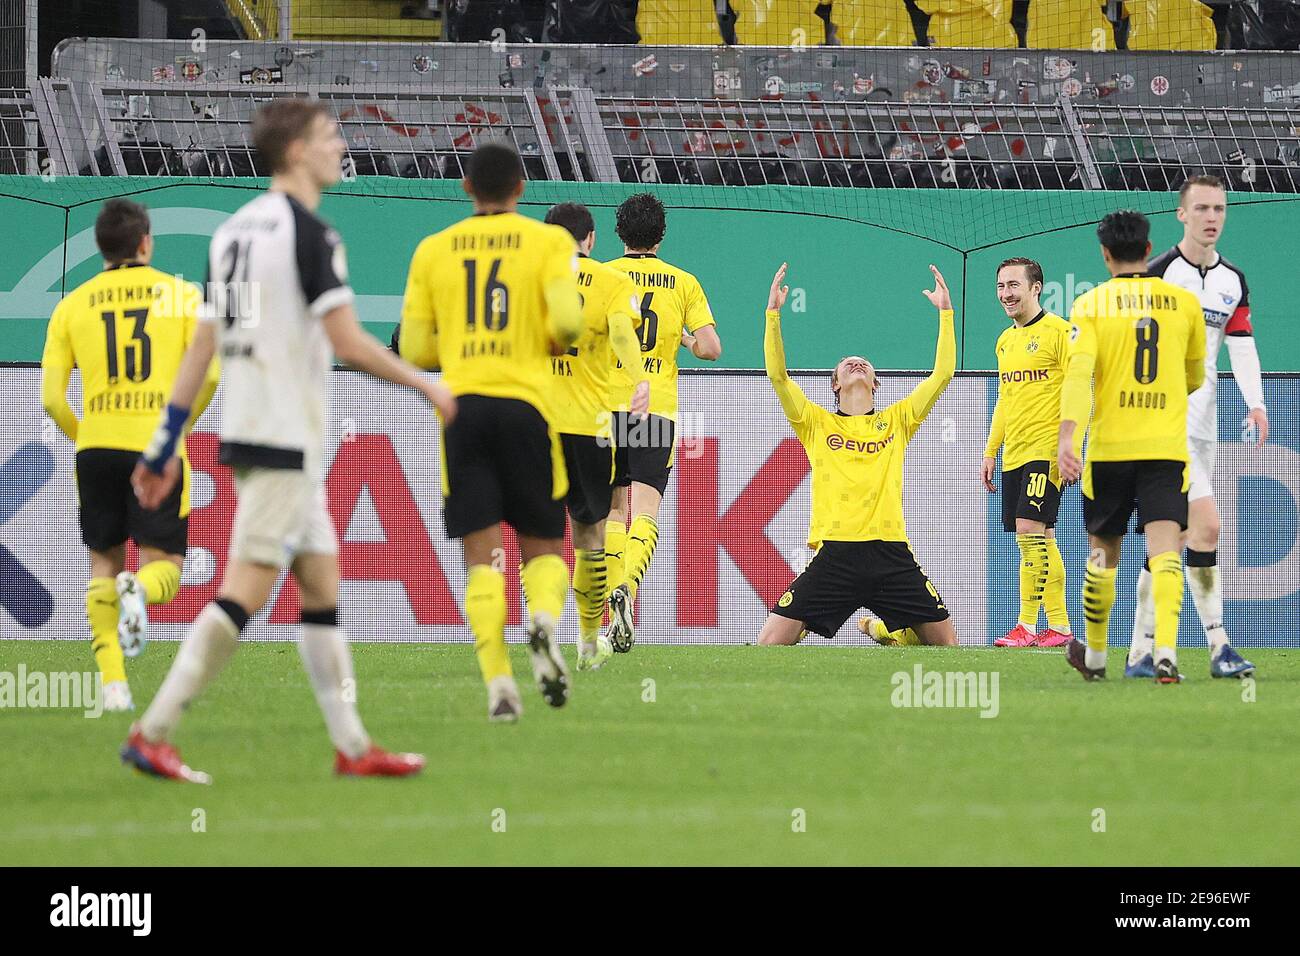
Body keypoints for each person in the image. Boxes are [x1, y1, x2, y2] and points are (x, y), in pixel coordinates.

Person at [123, 99, 454, 781]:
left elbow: (204, 343)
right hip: (281, 438)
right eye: (330, 136)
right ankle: (153, 732)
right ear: (298, 151)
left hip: (257, 429)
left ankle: (354, 748)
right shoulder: (310, 236)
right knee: (246, 587)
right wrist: (429, 387)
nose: (341, 146)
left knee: (322, 586)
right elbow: (348, 342)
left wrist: (164, 442)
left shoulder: (234, 232)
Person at [400, 143, 584, 722]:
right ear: (522, 189)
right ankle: (545, 625)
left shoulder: (433, 249)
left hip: (462, 409)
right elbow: (568, 326)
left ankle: (499, 684)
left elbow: (415, 348)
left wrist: (459, 344)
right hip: (526, 406)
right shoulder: (549, 241)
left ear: (465, 188)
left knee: (482, 559)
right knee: (545, 546)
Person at [41, 198, 220, 712]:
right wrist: (175, 431)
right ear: (145, 243)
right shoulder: (180, 295)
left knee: (103, 563)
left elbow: (51, 398)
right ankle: (138, 591)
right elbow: (208, 373)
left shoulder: (72, 304)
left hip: (96, 447)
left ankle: (114, 686)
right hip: (154, 445)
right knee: (164, 565)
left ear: (100, 247)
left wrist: (86, 436)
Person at [758, 262, 957, 648]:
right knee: (769, 642)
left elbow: (942, 374)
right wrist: (773, 315)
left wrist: (946, 314)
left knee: (948, 646)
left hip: (891, 554)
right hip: (835, 556)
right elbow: (778, 376)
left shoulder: (897, 420)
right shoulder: (814, 422)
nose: (856, 362)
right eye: (846, 363)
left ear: (875, 382)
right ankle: (891, 630)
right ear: (835, 384)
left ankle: (887, 630)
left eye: (864, 363)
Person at [1058, 210, 1206, 684]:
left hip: (1110, 450)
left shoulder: (1091, 305)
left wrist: (1067, 438)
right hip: (1164, 447)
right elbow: (1194, 377)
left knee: (1103, 553)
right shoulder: (1184, 303)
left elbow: (1079, 377)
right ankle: (1165, 653)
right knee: (1165, 552)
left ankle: (1097, 657)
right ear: (1148, 250)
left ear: (1105, 255)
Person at [1129, 175, 1260, 679]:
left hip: (1205, 424)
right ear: (1181, 214)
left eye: (1220, 209)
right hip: (1165, 424)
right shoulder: (1158, 274)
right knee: (1207, 527)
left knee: (1171, 540)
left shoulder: (1233, 281)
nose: (1212, 217)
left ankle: (1141, 649)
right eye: (1202, 208)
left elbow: (1242, 342)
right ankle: (1219, 646)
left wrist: (1256, 403)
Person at [604, 193, 721, 652]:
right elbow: (712, 348)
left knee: (612, 510)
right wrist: (688, 340)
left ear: (619, 233)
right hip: (654, 408)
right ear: (662, 235)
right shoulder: (682, 282)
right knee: (645, 511)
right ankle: (628, 588)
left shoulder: (603, 276)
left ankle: (610, 599)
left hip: (606, 406)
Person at [542, 201, 648, 671]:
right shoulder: (611, 282)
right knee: (590, 532)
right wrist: (640, 377)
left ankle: (541, 625)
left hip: (536, 423)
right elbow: (624, 335)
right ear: (591, 240)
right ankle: (587, 640)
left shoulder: (531, 279)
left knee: (538, 534)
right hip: (591, 425)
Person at [981, 257, 1074, 648]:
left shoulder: (1060, 333)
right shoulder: (1005, 341)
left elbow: (1079, 390)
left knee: (1028, 531)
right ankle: (1060, 628)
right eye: (1001, 286)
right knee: (1043, 537)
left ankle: (1026, 625)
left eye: (1014, 285)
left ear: (1037, 288)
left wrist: (1070, 444)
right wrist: (991, 451)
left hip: (1046, 450)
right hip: (1015, 453)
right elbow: (1005, 398)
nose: (1006, 293)